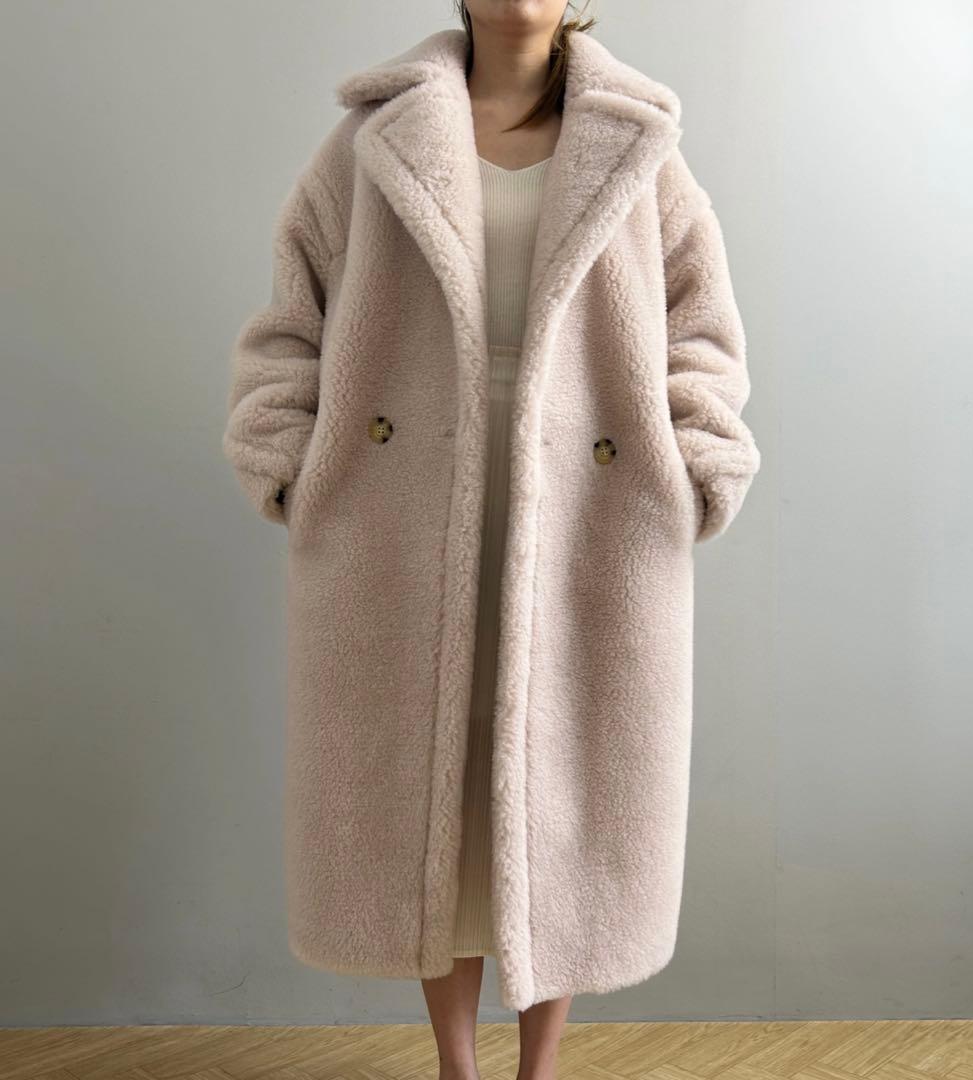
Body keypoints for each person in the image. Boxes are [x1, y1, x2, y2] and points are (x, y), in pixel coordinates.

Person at [222, 3, 760, 1078]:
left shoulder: (639, 141)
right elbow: (290, 318)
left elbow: (701, 327)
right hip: (404, 503)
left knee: (562, 775)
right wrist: (283, 456)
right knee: (437, 782)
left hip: (590, 508)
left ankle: (539, 1067)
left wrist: (699, 461)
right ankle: (457, 1066)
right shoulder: (374, 139)